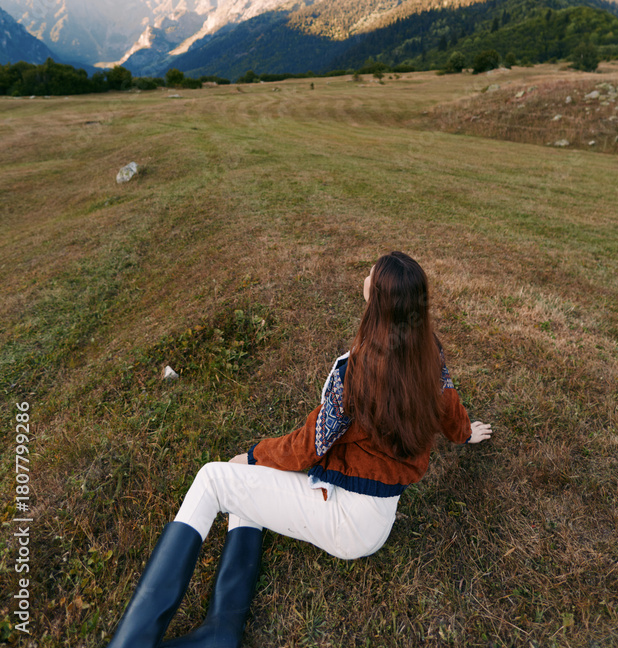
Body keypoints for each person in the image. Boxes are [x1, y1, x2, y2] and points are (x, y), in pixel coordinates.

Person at [106, 251, 492, 647]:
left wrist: (254, 453)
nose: (365, 276)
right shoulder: (428, 349)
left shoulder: (357, 375)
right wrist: (464, 433)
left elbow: (309, 446)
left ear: (375, 299)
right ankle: (221, 628)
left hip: (347, 517)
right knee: (250, 487)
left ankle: (131, 642)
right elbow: (448, 402)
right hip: (376, 515)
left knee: (213, 478)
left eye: (370, 275)